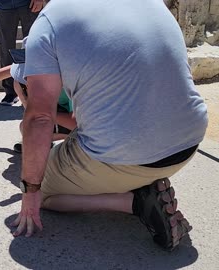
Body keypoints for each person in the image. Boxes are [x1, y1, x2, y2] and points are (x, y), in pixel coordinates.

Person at [12, 0, 208, 251]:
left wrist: (30, 192)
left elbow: (40, 118)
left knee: (42, 192)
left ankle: (136, 201)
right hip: (188, 142)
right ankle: (138, 182)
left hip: (127, 157)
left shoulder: (49, 22)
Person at [0, 0, 43, 105]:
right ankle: (10, 92)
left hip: (29, 4)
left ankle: (32, 90)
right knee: (6, 47)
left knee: (32, 46)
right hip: (4, 5)